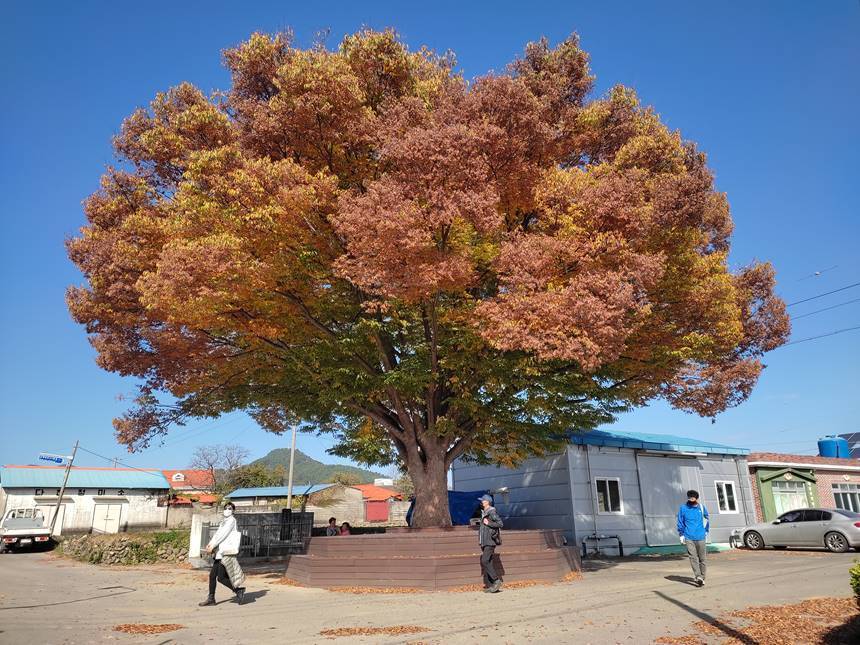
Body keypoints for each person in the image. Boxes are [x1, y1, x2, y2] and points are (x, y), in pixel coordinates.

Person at [200, 502, 247, 606]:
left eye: (230, 508)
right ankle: (211, 598)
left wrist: (213, 545)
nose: (227, 510)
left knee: (220, 578)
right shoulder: (224, 521)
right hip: (220, 553)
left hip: (225, 553)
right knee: (213, 576)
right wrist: (210, 544)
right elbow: (217, 534)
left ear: (233, 510)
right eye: (226, 508)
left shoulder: (231, 521)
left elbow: (223, 534)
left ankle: (238, 590)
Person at [677, 489, 710, 587]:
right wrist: (681, 534)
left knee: (702, 559)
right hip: (688, 537)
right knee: (693, 557)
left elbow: (706, 519)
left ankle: (703, 577)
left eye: (693, 497)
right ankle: (698, 576)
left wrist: (706, 531)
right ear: (688, 498)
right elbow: (680, 521)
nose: (692, 499)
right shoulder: (683, 508)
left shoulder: (702, 508)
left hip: (701, 536)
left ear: (696, 498)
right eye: (690, 497)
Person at [477, 494, 504, 593]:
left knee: (485, 560)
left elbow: (500, 523)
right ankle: (492, 585)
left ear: (487, 502)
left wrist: (489, 523)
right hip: (485, 541)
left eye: (483, 500)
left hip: (490, 541)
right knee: (489, 561)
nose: (481, 502)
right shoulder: (485, 512)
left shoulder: (491, 512)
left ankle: (496, 580)